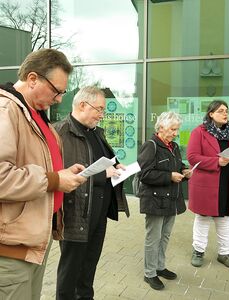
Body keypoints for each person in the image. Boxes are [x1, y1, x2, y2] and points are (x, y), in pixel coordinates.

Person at [0, 48, 87, 300]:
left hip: (33, 240)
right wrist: (54, 180)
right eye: (56, 90)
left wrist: (62, 173)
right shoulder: (6, 110)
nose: (60, 99)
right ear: (33, 79)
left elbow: (37, 166)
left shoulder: (35, 114)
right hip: (10, 248)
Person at [54, 86, 130, 300]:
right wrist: (102, 174)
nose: (102, 114)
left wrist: (117, 166)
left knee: (88, 268)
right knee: (70, 272)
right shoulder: (60, 132)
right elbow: (64, 173)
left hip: (98, 214)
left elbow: (105, 160)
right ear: (82, 105)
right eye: (99, 109)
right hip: (75, 214)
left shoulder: (96, 132)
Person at [137, 111, 191, 290]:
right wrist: (169, 176)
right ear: (161, 128)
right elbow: (144, 174)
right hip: (154, 201)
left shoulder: (173, 146)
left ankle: (160, 267)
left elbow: (177, 166)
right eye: (173, 129)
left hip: (171, 199)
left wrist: (185, 172)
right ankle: (149, 273)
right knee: (153, 237)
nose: (176, 133)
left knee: (165, 236)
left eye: (177, 129)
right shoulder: (150, 146)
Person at [187, 100, 229, 269]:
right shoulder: (199, 132)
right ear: (211, 114)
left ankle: (225, 253)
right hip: (206, 183)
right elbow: (192, 157)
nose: (225, 113)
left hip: (226, 183)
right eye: (221, 110)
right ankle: (198, 251)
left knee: (225, 219)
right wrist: (217, 161)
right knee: (203, 218)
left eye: (226, 110)